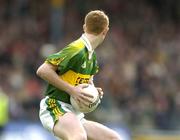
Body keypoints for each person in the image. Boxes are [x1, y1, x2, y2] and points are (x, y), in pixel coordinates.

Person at [37, 10, 120, 140]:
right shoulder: (77, 49)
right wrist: (72, 90)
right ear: (105, 31)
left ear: (84, 27)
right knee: (79, 137)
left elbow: (83, 83)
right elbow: (43, 70)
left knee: (113, 138)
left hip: (75, 114)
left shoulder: (92, 56)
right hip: (55, 106)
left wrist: (93, 91)